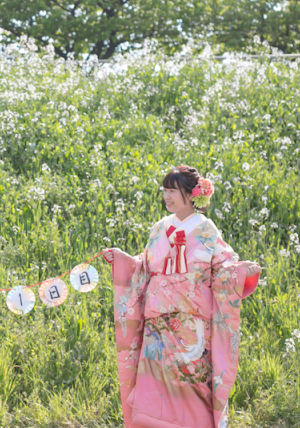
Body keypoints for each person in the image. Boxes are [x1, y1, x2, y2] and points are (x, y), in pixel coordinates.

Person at [103, 165, 260, 428]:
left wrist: (241, 270)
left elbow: (223, 267)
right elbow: (144, 267)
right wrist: (121, 259)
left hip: (191, 323)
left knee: (191, 382)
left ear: (191, 194)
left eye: (172, 191)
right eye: (164, 190)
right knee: (153, 384)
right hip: (157, 323)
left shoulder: (206, 229)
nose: (166, 196)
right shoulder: (159, 228)